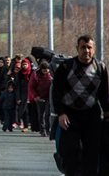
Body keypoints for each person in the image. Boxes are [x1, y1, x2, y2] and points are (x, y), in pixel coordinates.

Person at [52, 35, 109, 176]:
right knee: (70, 151)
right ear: (77, 49)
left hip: (91, 114)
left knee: (92, 152)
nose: (86, 51)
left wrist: (107, 113)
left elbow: (104, 94)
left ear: (94, 50)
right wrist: (61, 113)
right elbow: (56, 92)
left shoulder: (100, 68)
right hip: (70, 114)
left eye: (89, 47)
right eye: (83, 47)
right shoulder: (66, 67)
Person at [28, 61, 52, 136]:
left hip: (49, 97)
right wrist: (35, 96)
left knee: (48, 114)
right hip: (39, 97)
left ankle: (48, 129)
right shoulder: (36, 75)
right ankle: (42, 130)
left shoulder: (51, 75)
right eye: (44, 70)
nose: (46, 71)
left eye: (47, 70)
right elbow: (31, 86)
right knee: (41, 114)